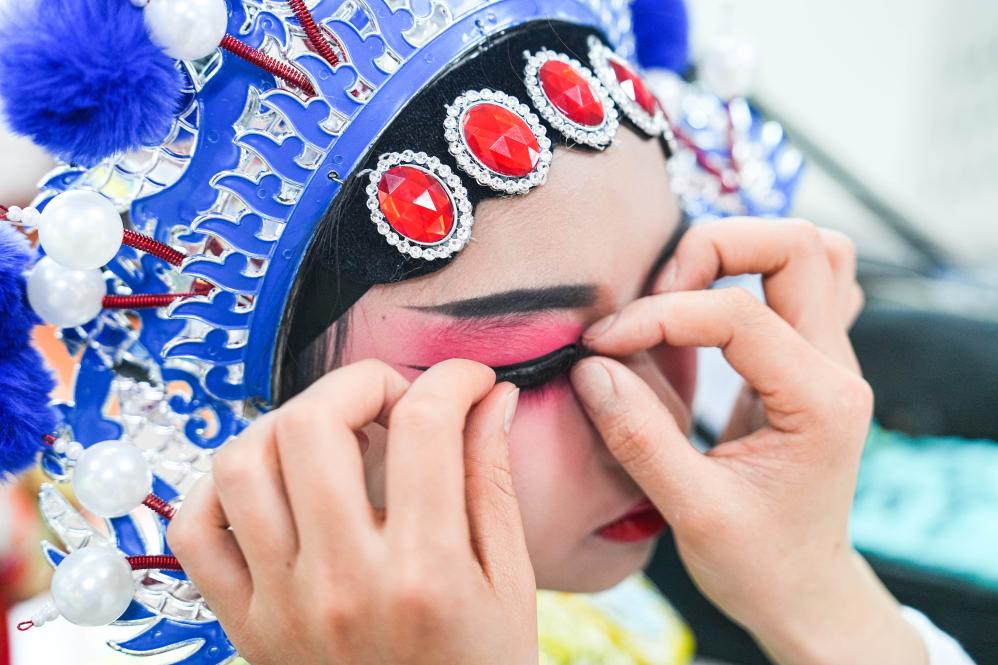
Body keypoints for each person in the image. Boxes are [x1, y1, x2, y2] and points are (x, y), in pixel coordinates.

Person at [0, 0, 975, 663]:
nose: (648, 420)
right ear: (249, 420)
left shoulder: (619, 613)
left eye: (672, 299)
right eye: (533, 362)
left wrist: (820, 593)